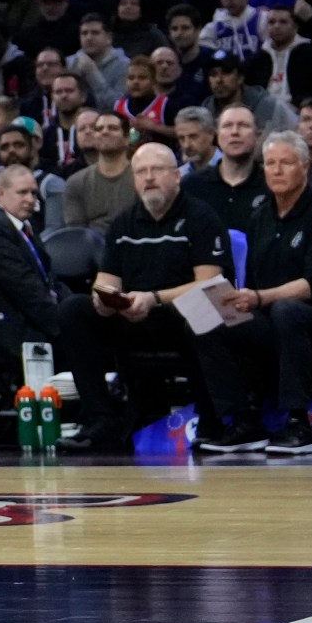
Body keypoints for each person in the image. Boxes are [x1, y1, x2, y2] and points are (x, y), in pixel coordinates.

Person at [55, 143, 231, 451]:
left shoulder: (200, 216)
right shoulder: (123, 223)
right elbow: (105, 282)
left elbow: (210, 283)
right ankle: (101, 419)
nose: (149, 178)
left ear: (176, 176)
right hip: (134, 318)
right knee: (74, 309)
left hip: (180, 319)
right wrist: (105, 302)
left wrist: (153, 298)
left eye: (157, 170)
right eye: (141, 172)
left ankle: (213, 420)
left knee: (203, 310)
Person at [192, 132, 312, 455]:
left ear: (305, 167)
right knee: (206, 316)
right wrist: (237, 300)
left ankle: (299, 424)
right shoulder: (260, 217)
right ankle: (241, 421)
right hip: (275, 316)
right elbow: (253, 282)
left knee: (287, 310)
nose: (277, 170)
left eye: (286, 163)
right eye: (270, 163)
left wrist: (260, 297)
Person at [0, 166, 63, 384]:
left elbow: (48, 279)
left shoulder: (21, 225)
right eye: (22, 193)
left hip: (31, 316)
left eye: (33, 193)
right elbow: (24, 288)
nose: (31, 200)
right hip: (9, 330)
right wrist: (62, 325)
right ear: (0, 193)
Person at [59, 109, 139, 230]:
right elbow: (76, 234)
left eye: (112, 128)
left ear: (127, 138)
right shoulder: (76, 183)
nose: (104, 132)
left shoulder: (142, 177)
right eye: (99, 129)